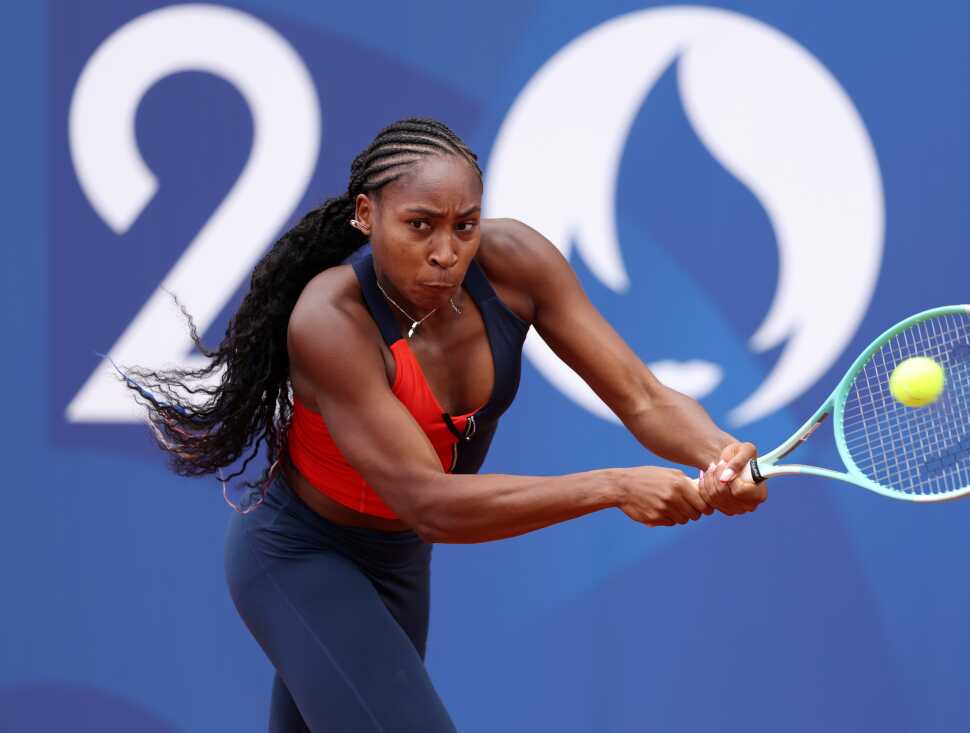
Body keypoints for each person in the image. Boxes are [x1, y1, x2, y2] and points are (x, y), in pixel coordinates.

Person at [127, 117, 767, 732]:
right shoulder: (330, 321)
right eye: (420, 225)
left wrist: (720, 455)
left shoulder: (516, 264)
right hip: (300, 556)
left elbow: (643, 397)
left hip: (400, 559)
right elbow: (430, 502)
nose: (446, 252)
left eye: (465, 226)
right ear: (365, 215)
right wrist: (614, 486)